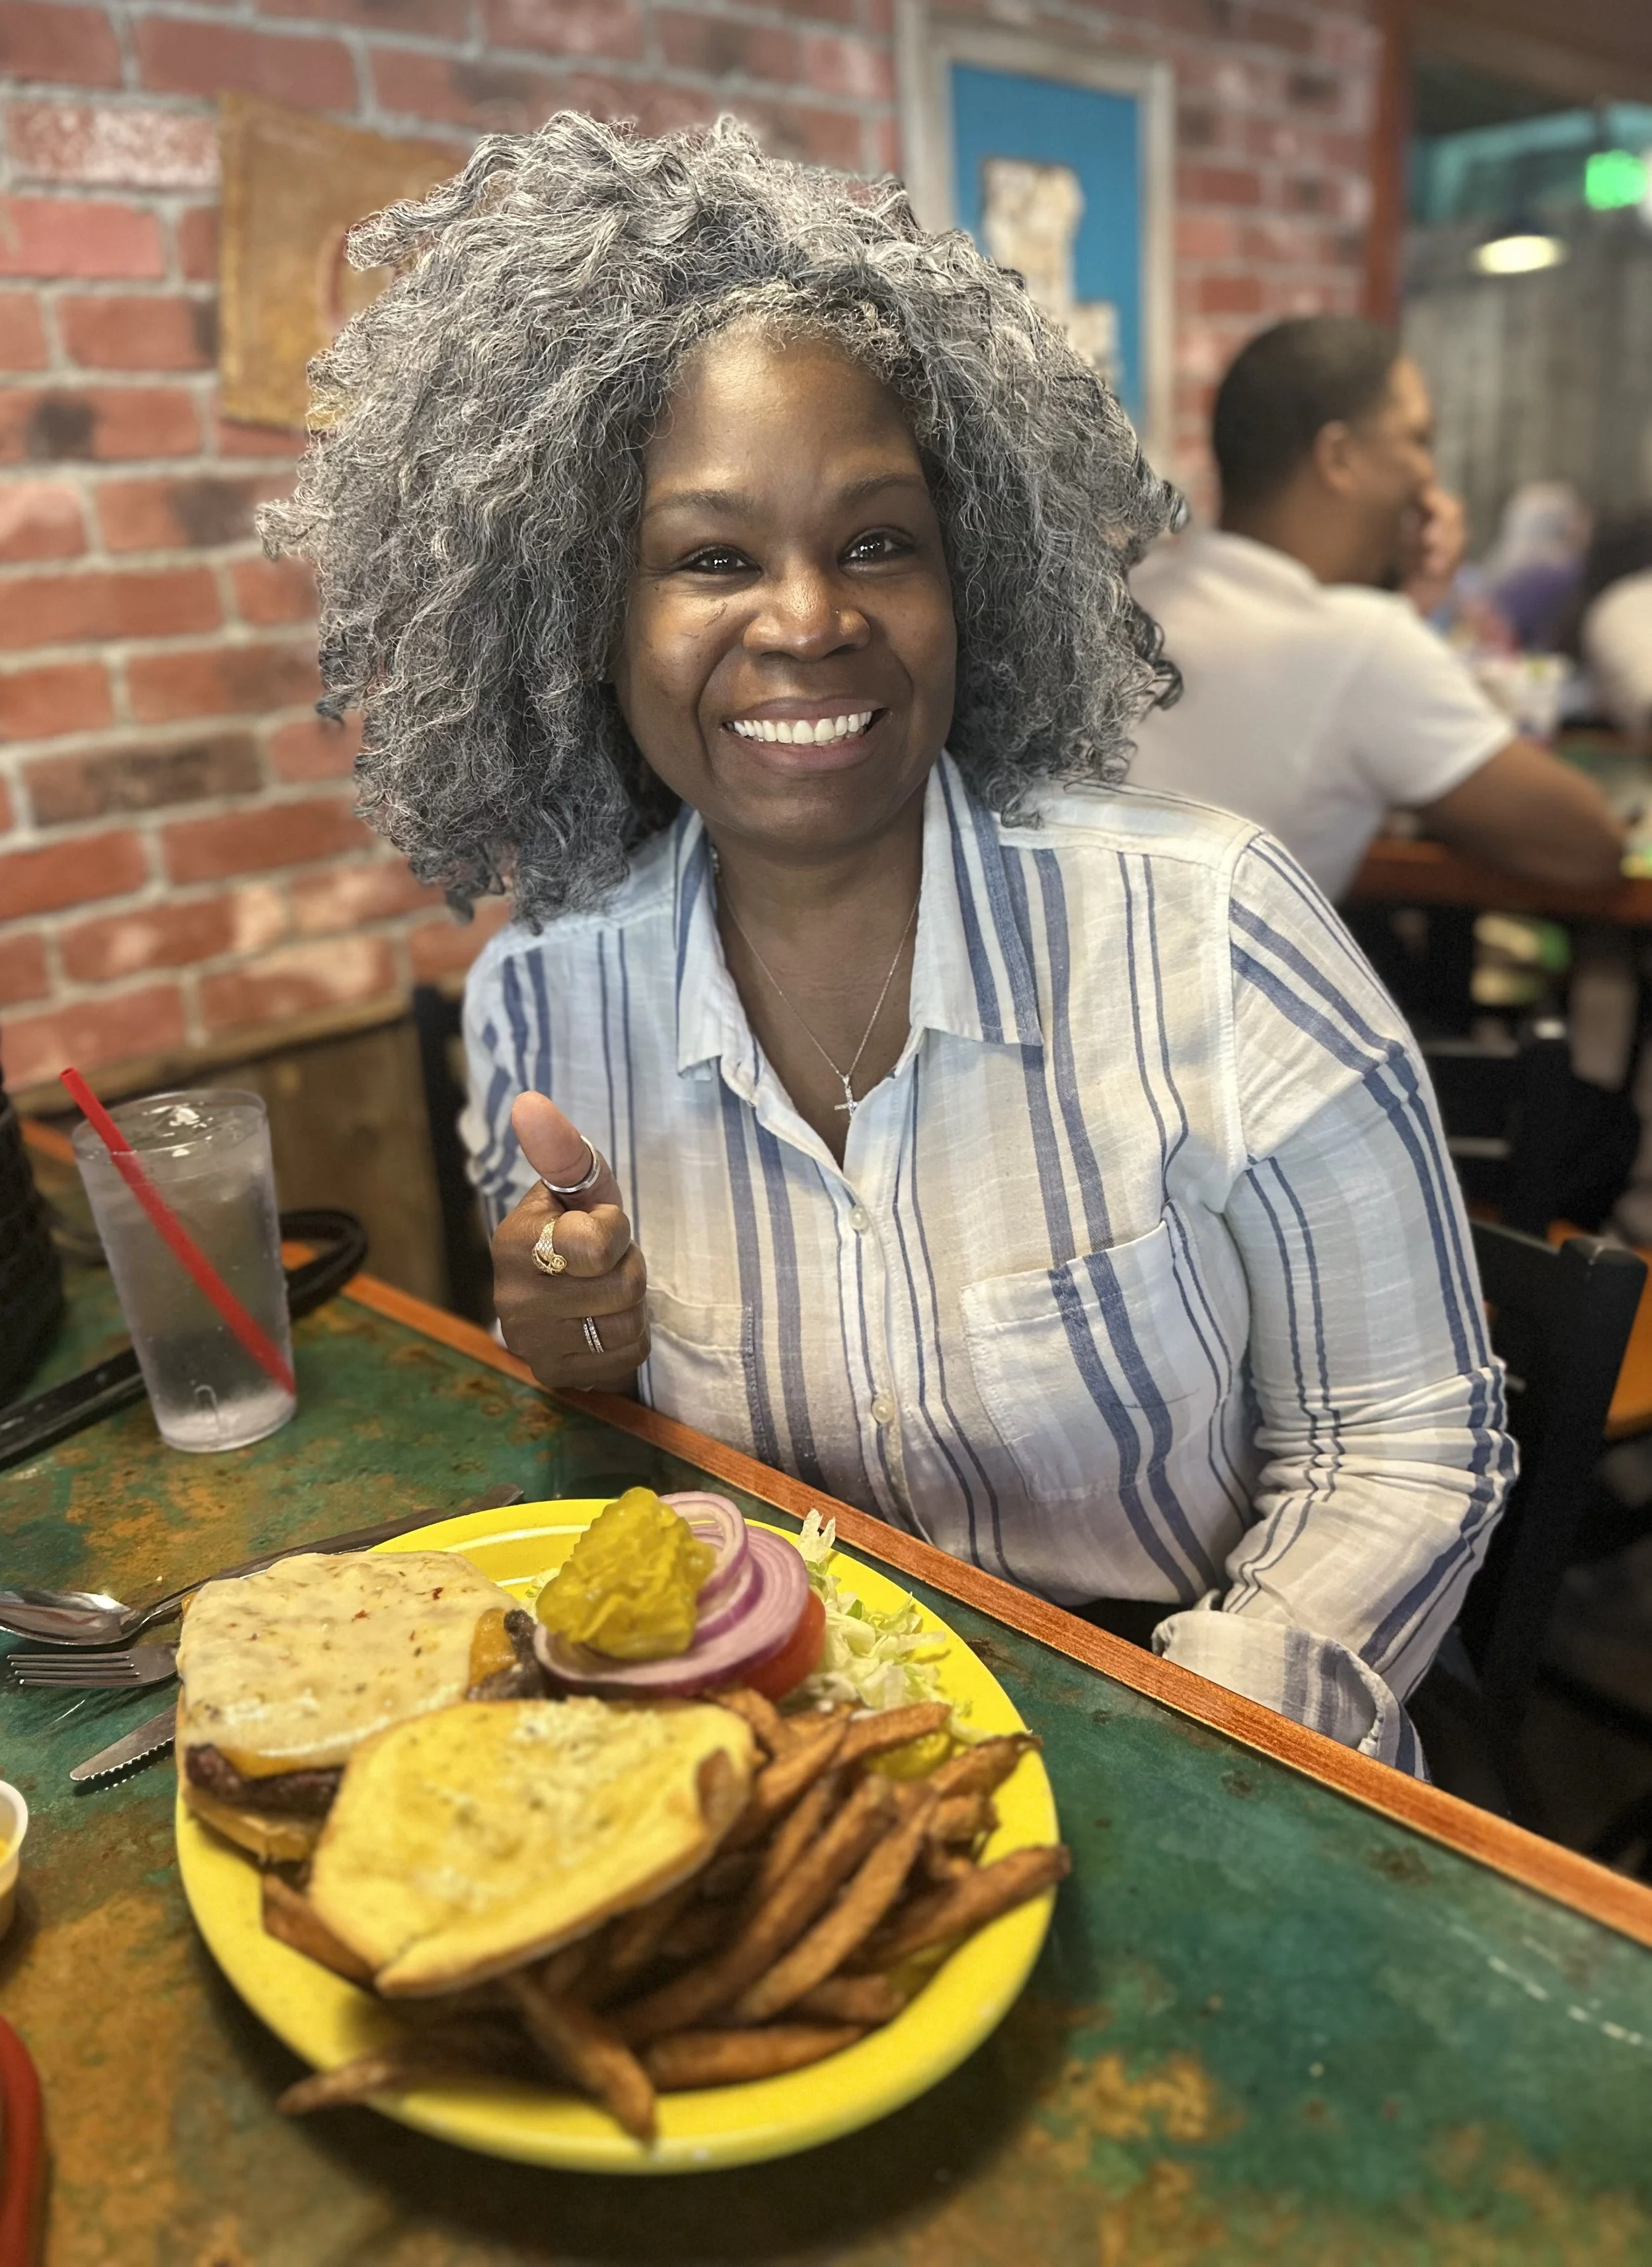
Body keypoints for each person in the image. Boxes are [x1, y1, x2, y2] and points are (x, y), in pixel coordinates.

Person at [264, 116, 1514, 1775]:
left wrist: (1204, 1728)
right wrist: (576, 1352)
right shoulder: (548, 997)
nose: (806, 618)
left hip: (1197, 1735)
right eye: (711, 558)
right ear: (585, 623)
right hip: (773, 1757)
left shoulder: (1209, 931)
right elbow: (613, 1444)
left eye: (875, 542)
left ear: (967, 576)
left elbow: (1407, 1444)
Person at [1127, 317, 1624, 901]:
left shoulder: (1133, 588)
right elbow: (1590, 842)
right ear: (1339, 457)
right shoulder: (1358, 643)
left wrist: (1405, 606)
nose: (1429, 476)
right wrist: (1400, 622)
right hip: (1210, 995)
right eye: (1418, 440)